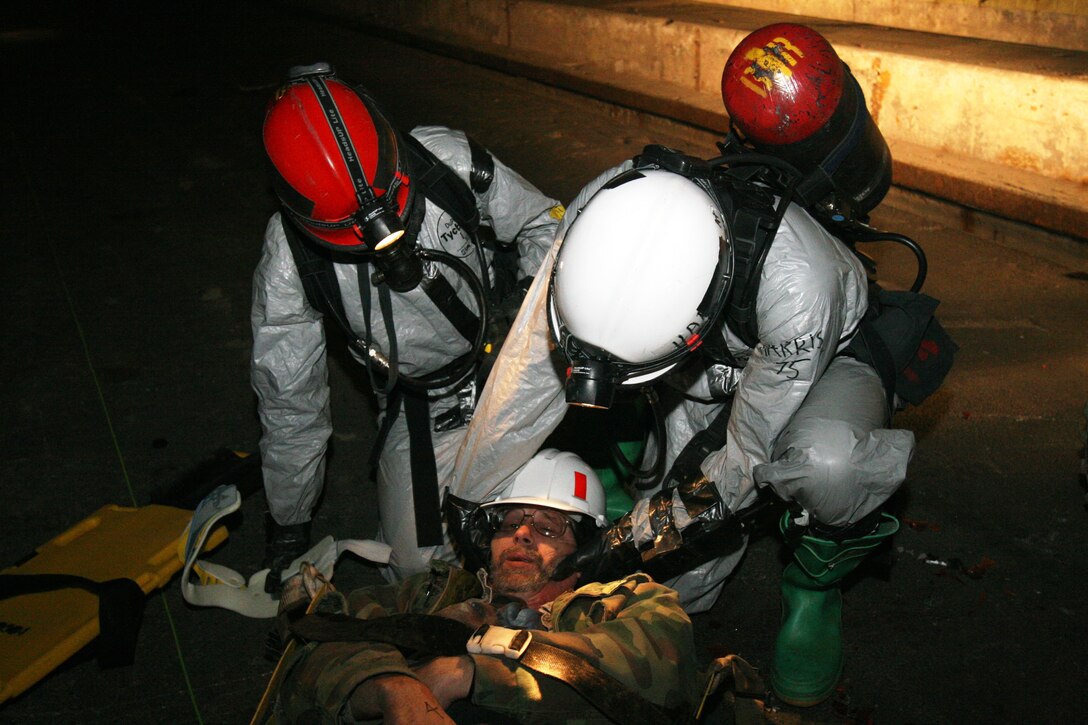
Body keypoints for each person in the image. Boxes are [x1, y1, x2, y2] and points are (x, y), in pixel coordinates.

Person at [442, 24, 954, 708]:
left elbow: (741, 455)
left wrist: (619, 545)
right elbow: (527, 370)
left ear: (689, 332)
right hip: (722, 362)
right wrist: (469, 500)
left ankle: (815, 578)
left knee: (822, 465)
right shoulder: (609, 207)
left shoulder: (803, 286)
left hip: (820, 362)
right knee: (682, 594)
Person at [252, 63, 563, 591]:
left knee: (568, 521)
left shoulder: (449, 163)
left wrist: (525, 319)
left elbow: (547, 226)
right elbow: (291, 405)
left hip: (528, 356)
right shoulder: (291, 265)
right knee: (421, 570)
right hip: (425, 402)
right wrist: (290, 523)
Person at [270, 449, 700, 724]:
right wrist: (390, 687)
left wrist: (468, 672)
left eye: (549, 527)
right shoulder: (426, 594)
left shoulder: (626, 602)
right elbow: (314, 647)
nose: (523, 535)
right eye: (511, 522)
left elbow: (664, 667)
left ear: (584, 551)